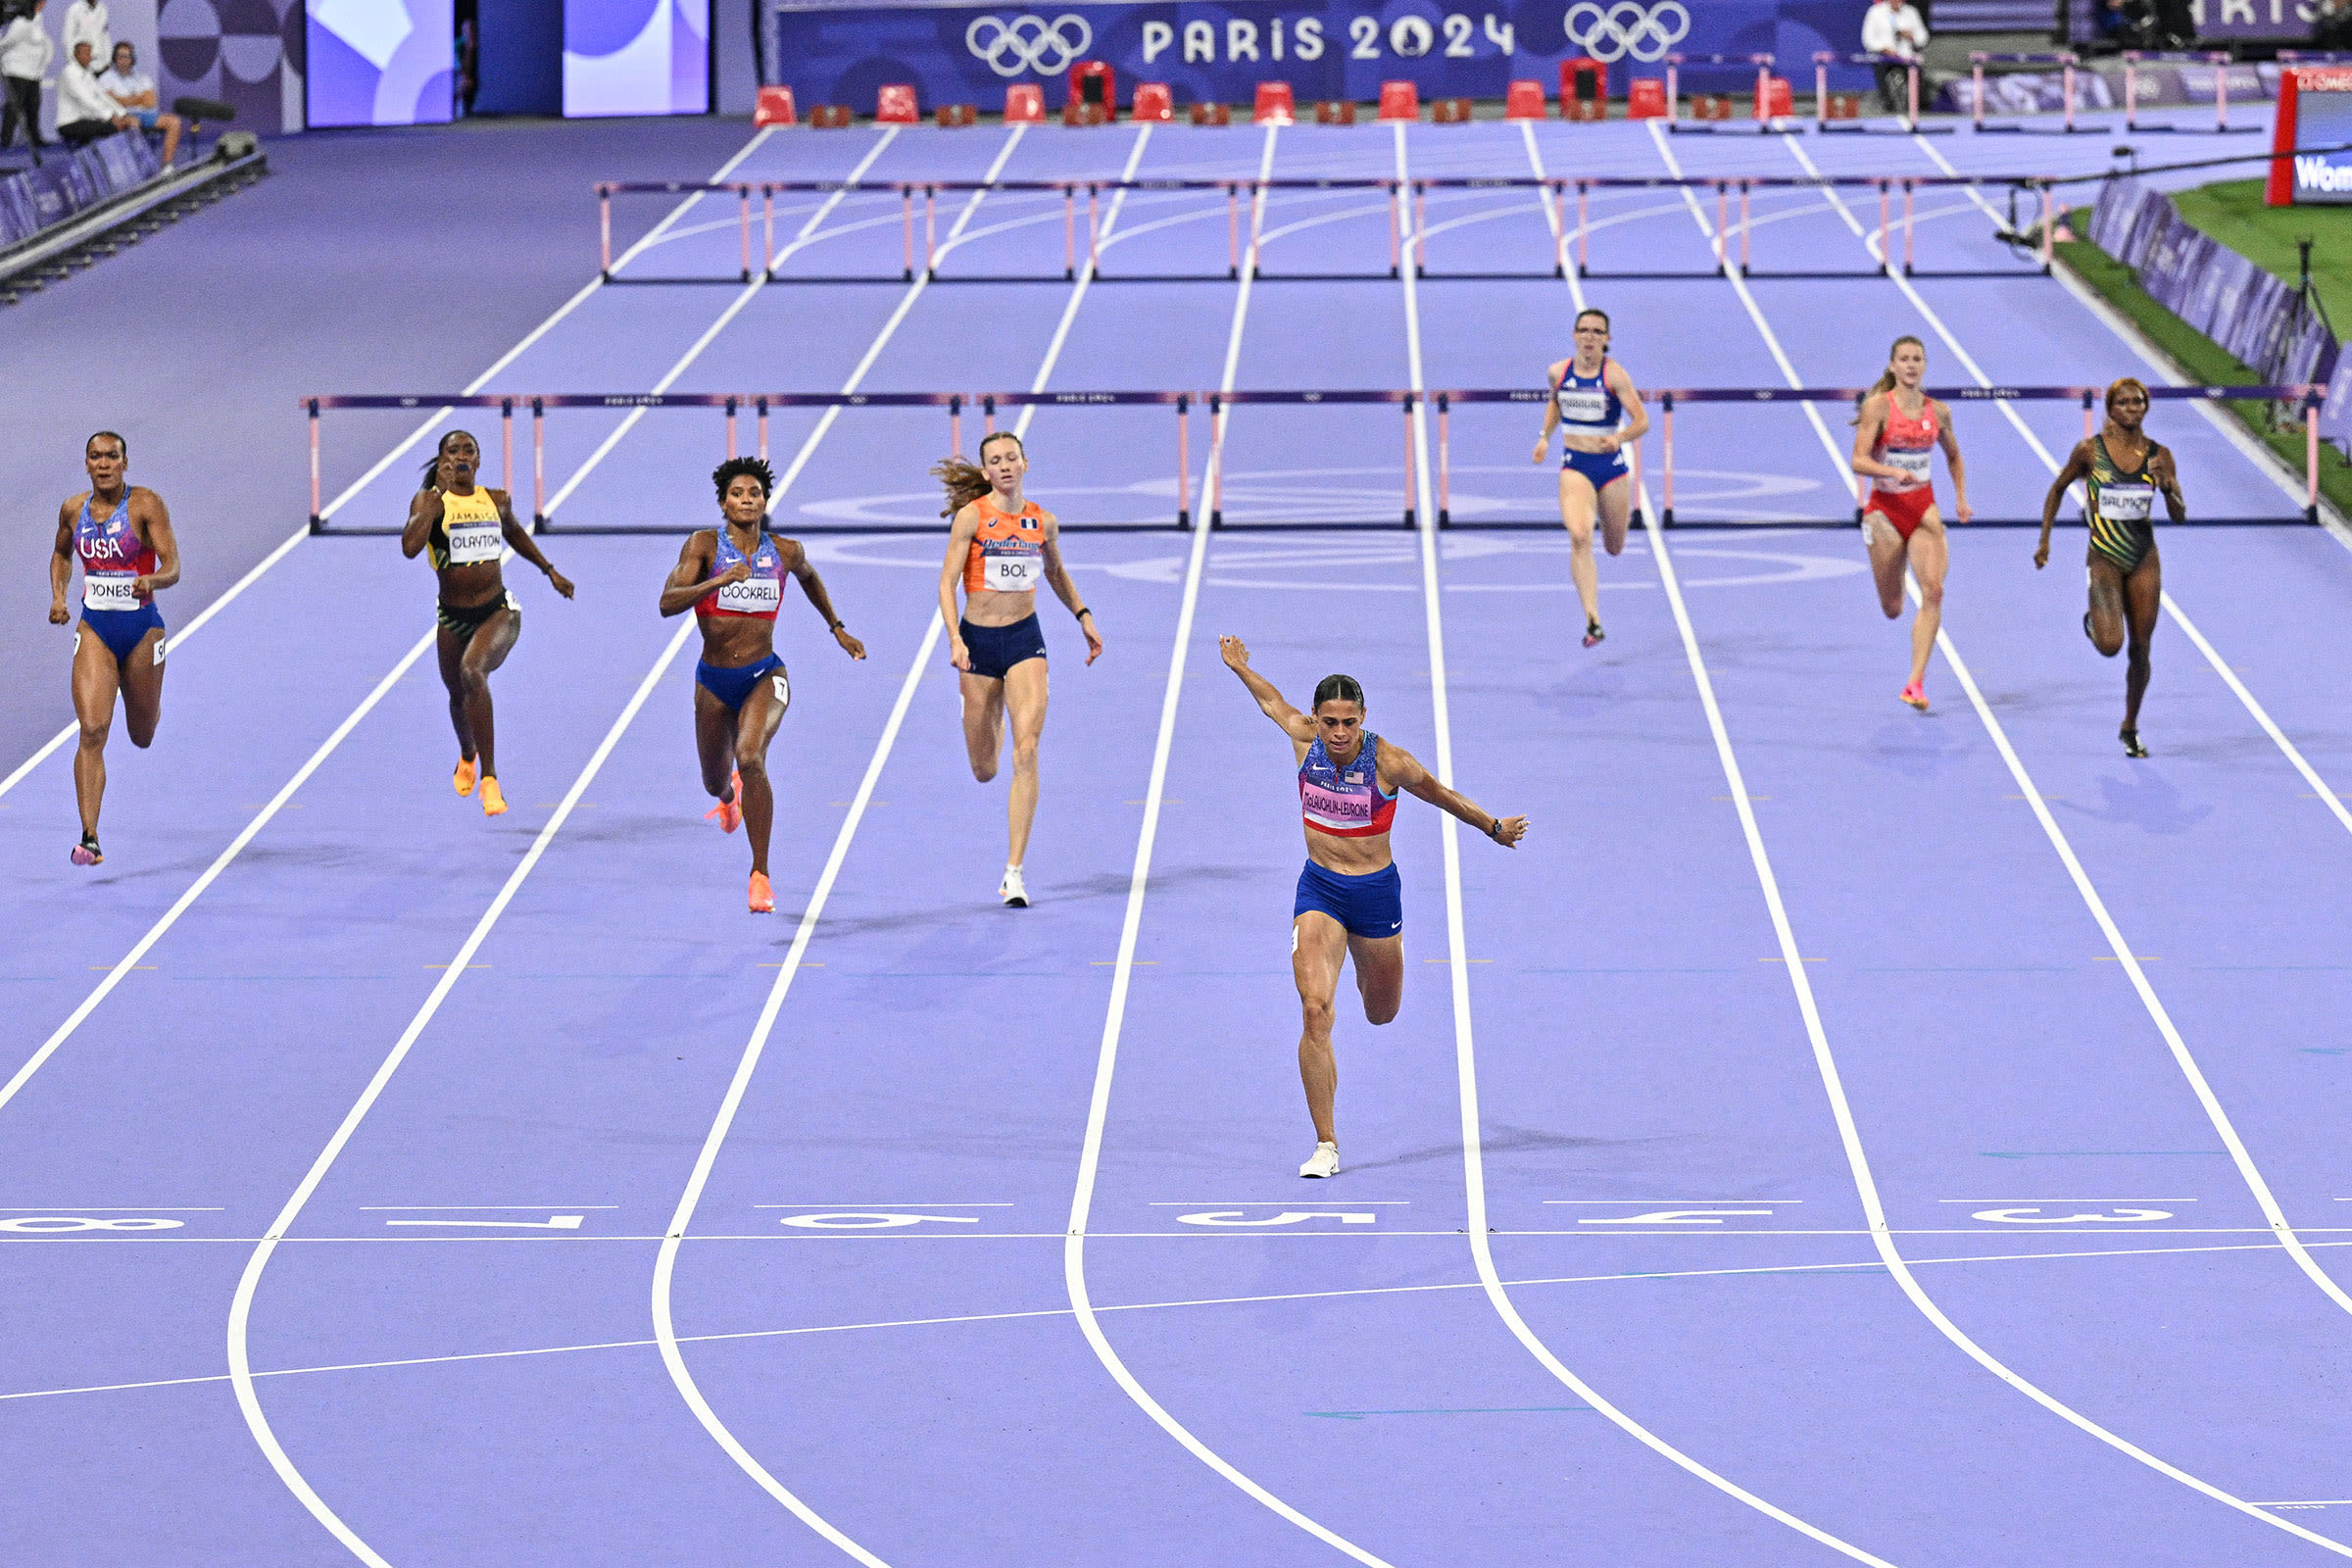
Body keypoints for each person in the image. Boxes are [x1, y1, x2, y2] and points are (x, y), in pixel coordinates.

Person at [1218, 640, 1529, 1178]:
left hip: (1376, 895)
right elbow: (1270, 702)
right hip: (1320, 891)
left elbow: (1442, 795)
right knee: (1315, 1010)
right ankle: (1326, 1143)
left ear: (1363, 719)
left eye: (1349, 722)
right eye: (1330, 722)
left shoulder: (1390, 762)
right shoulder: (1303, 737)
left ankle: (1370, 965)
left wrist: (1492, 827)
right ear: (1316, 719)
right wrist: (1242, 667)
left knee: (1381, 1012)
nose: (1338, 733)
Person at [660, 457, 864, 913]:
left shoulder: (785, 552)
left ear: (765, 501)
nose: (747, 499)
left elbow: (811, 581)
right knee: (715, 781)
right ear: (722, 503)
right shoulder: (703, 547)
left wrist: (838, 628)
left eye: (754, 493)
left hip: (765, 676)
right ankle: (728, 799)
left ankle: (759, 875)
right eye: (737, 493)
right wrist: (715, 581)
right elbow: (666, 603)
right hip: (713, 682)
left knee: (750, 756)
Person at [933, 431, 1101, 908]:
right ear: (985, 472)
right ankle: (990, 714)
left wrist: (1083, 616)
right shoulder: (972, 518)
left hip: (1026, 641)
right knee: (985, 768)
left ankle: (1014, 872)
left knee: (1027, 750)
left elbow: (1055, 573)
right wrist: (955, 638)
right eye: (995, 461)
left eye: (1011, 457)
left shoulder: (1042, 522)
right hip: (978, 645)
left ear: (1025, 463)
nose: (1004, 465)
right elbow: (946, 582)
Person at [400, 429, 573, 818]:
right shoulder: (429, 502)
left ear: (478, 460)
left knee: (472, 672)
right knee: (457, 698)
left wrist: (549, 570)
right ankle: (467, 755)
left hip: (498, 611)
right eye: (453, 450)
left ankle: (490, 779)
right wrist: (434, 501)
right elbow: (410, 548)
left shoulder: (496, 500)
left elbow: (512, 532)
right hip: (452, 617)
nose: (461, 456)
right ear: (442, 459)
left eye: (468, 450)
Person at [2034, 377, 2183, 758]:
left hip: (2144, 557)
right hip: (2103, 556)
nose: (2133, 408)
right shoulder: (2090, 451)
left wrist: (2167, 488)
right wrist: (2045, 541)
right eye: (2124, 402)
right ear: (2110, 408)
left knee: (2141, 648)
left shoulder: (2160, 454)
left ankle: (2130, 725)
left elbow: (2180, 516)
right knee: (2110, 645)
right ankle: (2093, 623)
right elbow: (2056, 489)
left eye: (2139, 402)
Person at [48, 430, 175, 867]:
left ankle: (146, 701)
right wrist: (59, 597)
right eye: (95, 457)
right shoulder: (72, 509)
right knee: (93, 730)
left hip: (142, 631)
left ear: (125, 462)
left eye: (111, 457)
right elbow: (61, 554)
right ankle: (90, 837)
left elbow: (173, 565)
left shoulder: (145, 505)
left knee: (141, 735)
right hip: (96, 628)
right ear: (86, 464)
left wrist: (152, 580)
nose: (103, 464)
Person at [1850, 334, 1970, 710]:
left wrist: (1961, 498)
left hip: (1923, 509)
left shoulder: (1939, 412)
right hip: (1884, 510)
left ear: (1924, 365)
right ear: (1892, 366)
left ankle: (1914, 684)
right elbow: (1858, 461)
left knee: (1933, 591)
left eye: (1917, 358)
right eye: (1904, 359)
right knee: (1893, 608)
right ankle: (1895, 560)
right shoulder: (1877, 408)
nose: (1911, 365)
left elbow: (1954, 456)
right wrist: (1890, 470)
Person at [1530, 308, 1648, 649]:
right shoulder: (1558, 372)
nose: (1589, 337)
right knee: (1580, 536)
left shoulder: (1614, 376)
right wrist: (1544, 436)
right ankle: (1593, 618)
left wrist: (1620, 438)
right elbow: (1556, 403)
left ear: (1607, 340)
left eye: (1597, 332)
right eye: (1584, 330)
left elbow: (1642, 421)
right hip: (1576, 464)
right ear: (1574, 335)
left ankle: (1608, 536)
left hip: (1610, 468)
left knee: (1613, 546)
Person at [97, 41, 179, 165]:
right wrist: (139, 98)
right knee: (133, 123)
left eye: (127, 57)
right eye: (121, 56)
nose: (124, 60)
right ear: (115, 58)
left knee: (174, 122)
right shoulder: (106, 78)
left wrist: (124, 100)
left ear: (132, 59)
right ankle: (140, 167)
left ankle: (167, 165)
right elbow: (111, 102)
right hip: (123, 117)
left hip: (147, 115)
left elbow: (151, 101)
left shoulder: (141, 78)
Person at [1, 0, 53, 160]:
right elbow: (5, 43)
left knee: (33, 106)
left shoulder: (39, 19)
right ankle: (5, 140)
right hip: (17, 70)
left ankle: (35, 137)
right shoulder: (21, 22)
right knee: (14, 107)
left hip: (33, 72)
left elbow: (43, 42)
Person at [54, 38, 129, 145]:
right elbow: (87, 100)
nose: (89, 57)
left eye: (89, 53)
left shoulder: (87, 72)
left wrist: (122, 113)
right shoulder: (69, 73)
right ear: (76, 55)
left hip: (86, 120)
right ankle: (110, 160)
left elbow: (102, 95)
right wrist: (111, 117)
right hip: (69, 123)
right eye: (85, 53)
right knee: (111, 127)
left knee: (125, 123)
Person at [1862, 0, 1930, 116]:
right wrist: (1884, 49)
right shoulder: (1875, 12)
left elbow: (1923, 37)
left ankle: (1917, 106)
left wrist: (1912, 37)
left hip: (1905, 56)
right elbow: (1867, 39)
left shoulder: (1911, 12)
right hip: (1884, 56)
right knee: (1880, 69)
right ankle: (1888, 104)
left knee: (1916, 70)